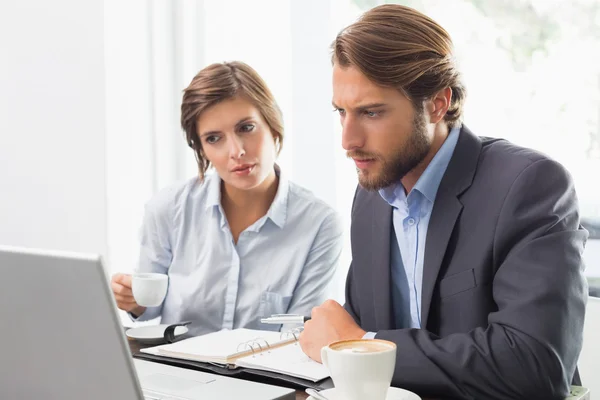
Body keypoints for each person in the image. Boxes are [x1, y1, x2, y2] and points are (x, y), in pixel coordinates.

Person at [298, 4, 588, 400]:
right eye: (342, 112)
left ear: (437, 103)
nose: (348, 141)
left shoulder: (530, 186)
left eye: (371, 112)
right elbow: (359, 331)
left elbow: (534, 367)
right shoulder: (371, 199)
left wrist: (362, 346)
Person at [111, 61, 343, 335]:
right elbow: (149, 306)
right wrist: (132, 301)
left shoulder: (319, 223)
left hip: (264, 376)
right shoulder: (168, 208)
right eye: (213, 138)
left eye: (246, 128)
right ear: (201, 149)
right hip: (175, 371)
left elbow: (299, 334)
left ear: (272, 123)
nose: (237, 151)